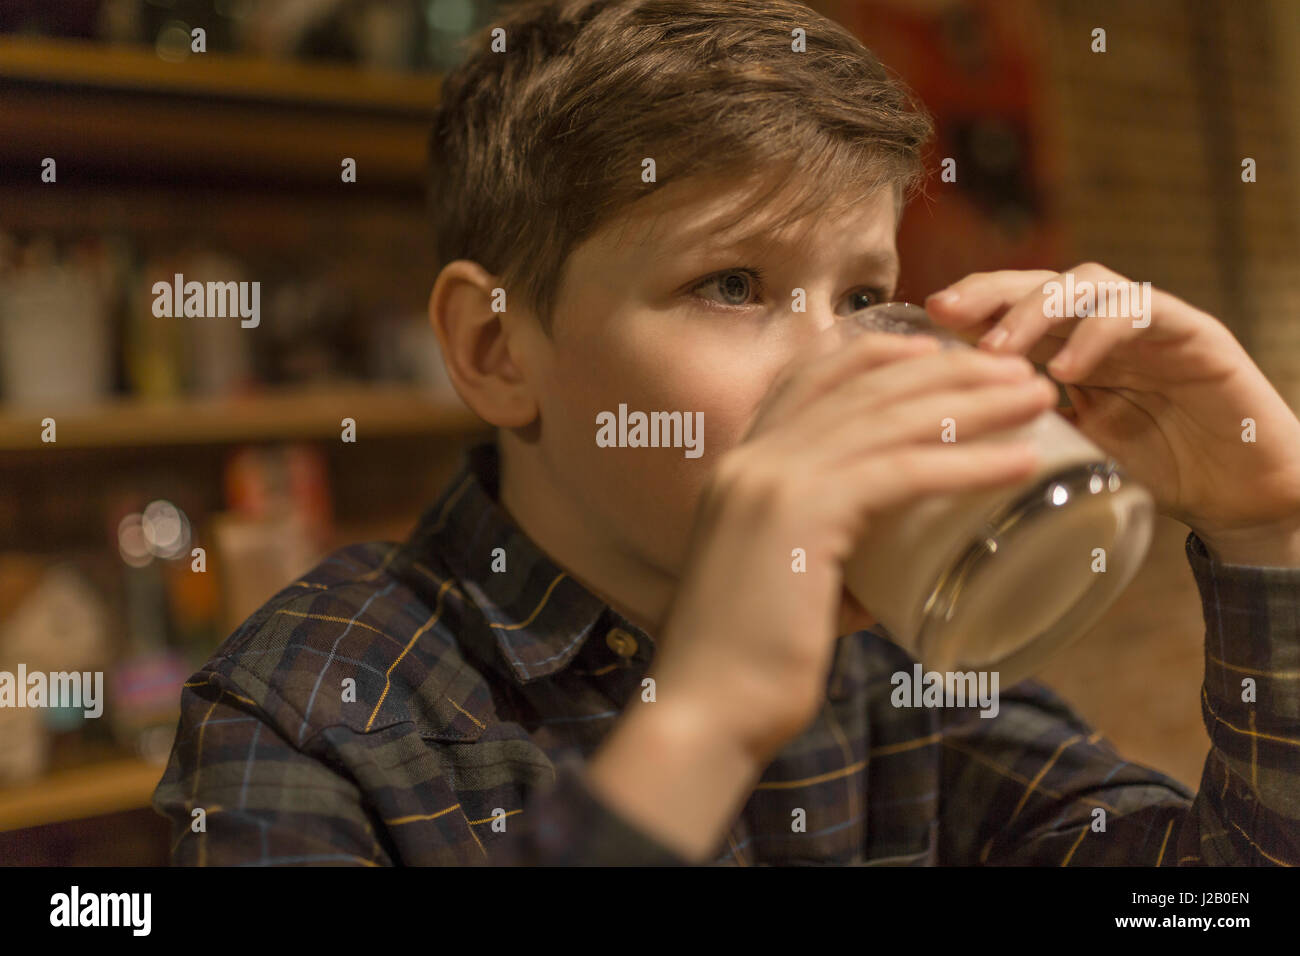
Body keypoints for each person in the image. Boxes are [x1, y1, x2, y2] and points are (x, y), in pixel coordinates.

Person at [153, 0, 1300, 865]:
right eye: (734, 283)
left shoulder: (891, 660)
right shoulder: (308, 716)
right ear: (498, 349)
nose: (832, 362)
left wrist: (1267, 533)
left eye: (861, 298)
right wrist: (701, 722)